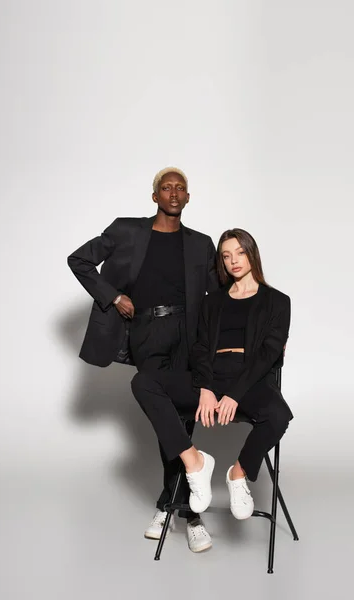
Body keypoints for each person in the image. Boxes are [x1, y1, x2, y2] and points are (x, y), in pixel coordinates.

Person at [67, 167, 219, 552]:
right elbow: (79, 260)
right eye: (165, 188)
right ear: (155, 197)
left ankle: (176, 509)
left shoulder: (202, 245)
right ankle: (184, 509)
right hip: (147, 332)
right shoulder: (126, 231)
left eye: (179, 188)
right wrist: (114, 297)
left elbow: (220, 302)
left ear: (188, 198)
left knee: (185, 417)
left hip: (190, 334)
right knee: (164, 414)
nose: (173, 193)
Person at [131, 228, 293, 533]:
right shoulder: (213, 301)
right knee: (144, 382)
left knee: (279, 414)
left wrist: (233, 394)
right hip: (210, 376)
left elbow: (268, 354)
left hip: (249, 380)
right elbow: (201, 349)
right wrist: (205, 388)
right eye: (226, 255)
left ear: (251, 253)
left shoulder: (278, 302)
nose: (233, 261)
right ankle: (195, 462)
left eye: (240, 253)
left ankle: (238, 474)